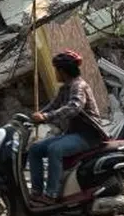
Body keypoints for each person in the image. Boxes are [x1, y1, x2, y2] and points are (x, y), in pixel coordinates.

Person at [27, 49, 108, 205]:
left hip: (88, 136)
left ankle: (51, 195)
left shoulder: (79, 86)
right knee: (35, 149)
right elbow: (53, 105)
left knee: (55, 149)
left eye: (56, 69)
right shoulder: (65, 87)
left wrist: (46, 117)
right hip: (72, 134)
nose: (55, 73)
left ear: (62, 71)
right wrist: (36, 116)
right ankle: (36, 192)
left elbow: (74, 107)